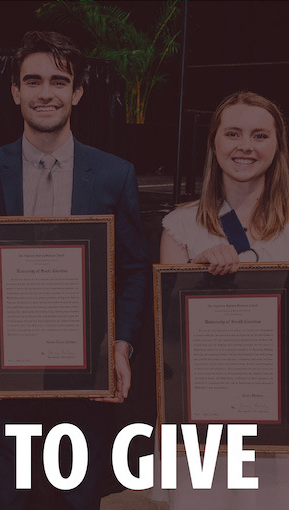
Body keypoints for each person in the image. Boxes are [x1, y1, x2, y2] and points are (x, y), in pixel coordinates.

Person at [0, 31, 150, 509]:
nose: (45, 93)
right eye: (32, 81)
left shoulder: (115, 174)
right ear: (15, 92)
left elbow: (135, 269)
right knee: (8, 499)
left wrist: (121, 347)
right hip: (4, 375)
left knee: (77, 501)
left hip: (86, 375)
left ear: (77, 93)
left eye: (59, 81)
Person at [156, 91, 289, 508]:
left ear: (277, 145)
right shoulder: (180, 226)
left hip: (279, 414)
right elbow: (170, 340)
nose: (245, 146)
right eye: (232, 133)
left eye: (259, 135)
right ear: (214, 143)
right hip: (206, 419)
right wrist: (195, 275)